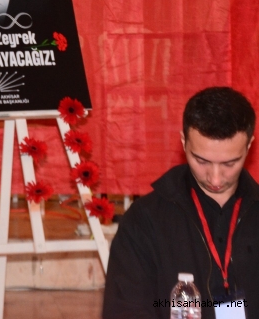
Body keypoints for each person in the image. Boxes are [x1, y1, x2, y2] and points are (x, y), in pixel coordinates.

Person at [103, 86, 259, 319]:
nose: (215, 178)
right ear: (183, 141)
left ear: (249, 146)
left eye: (230, 163)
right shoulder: (145, 220)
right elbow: (124, 309)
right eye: (201, 161)